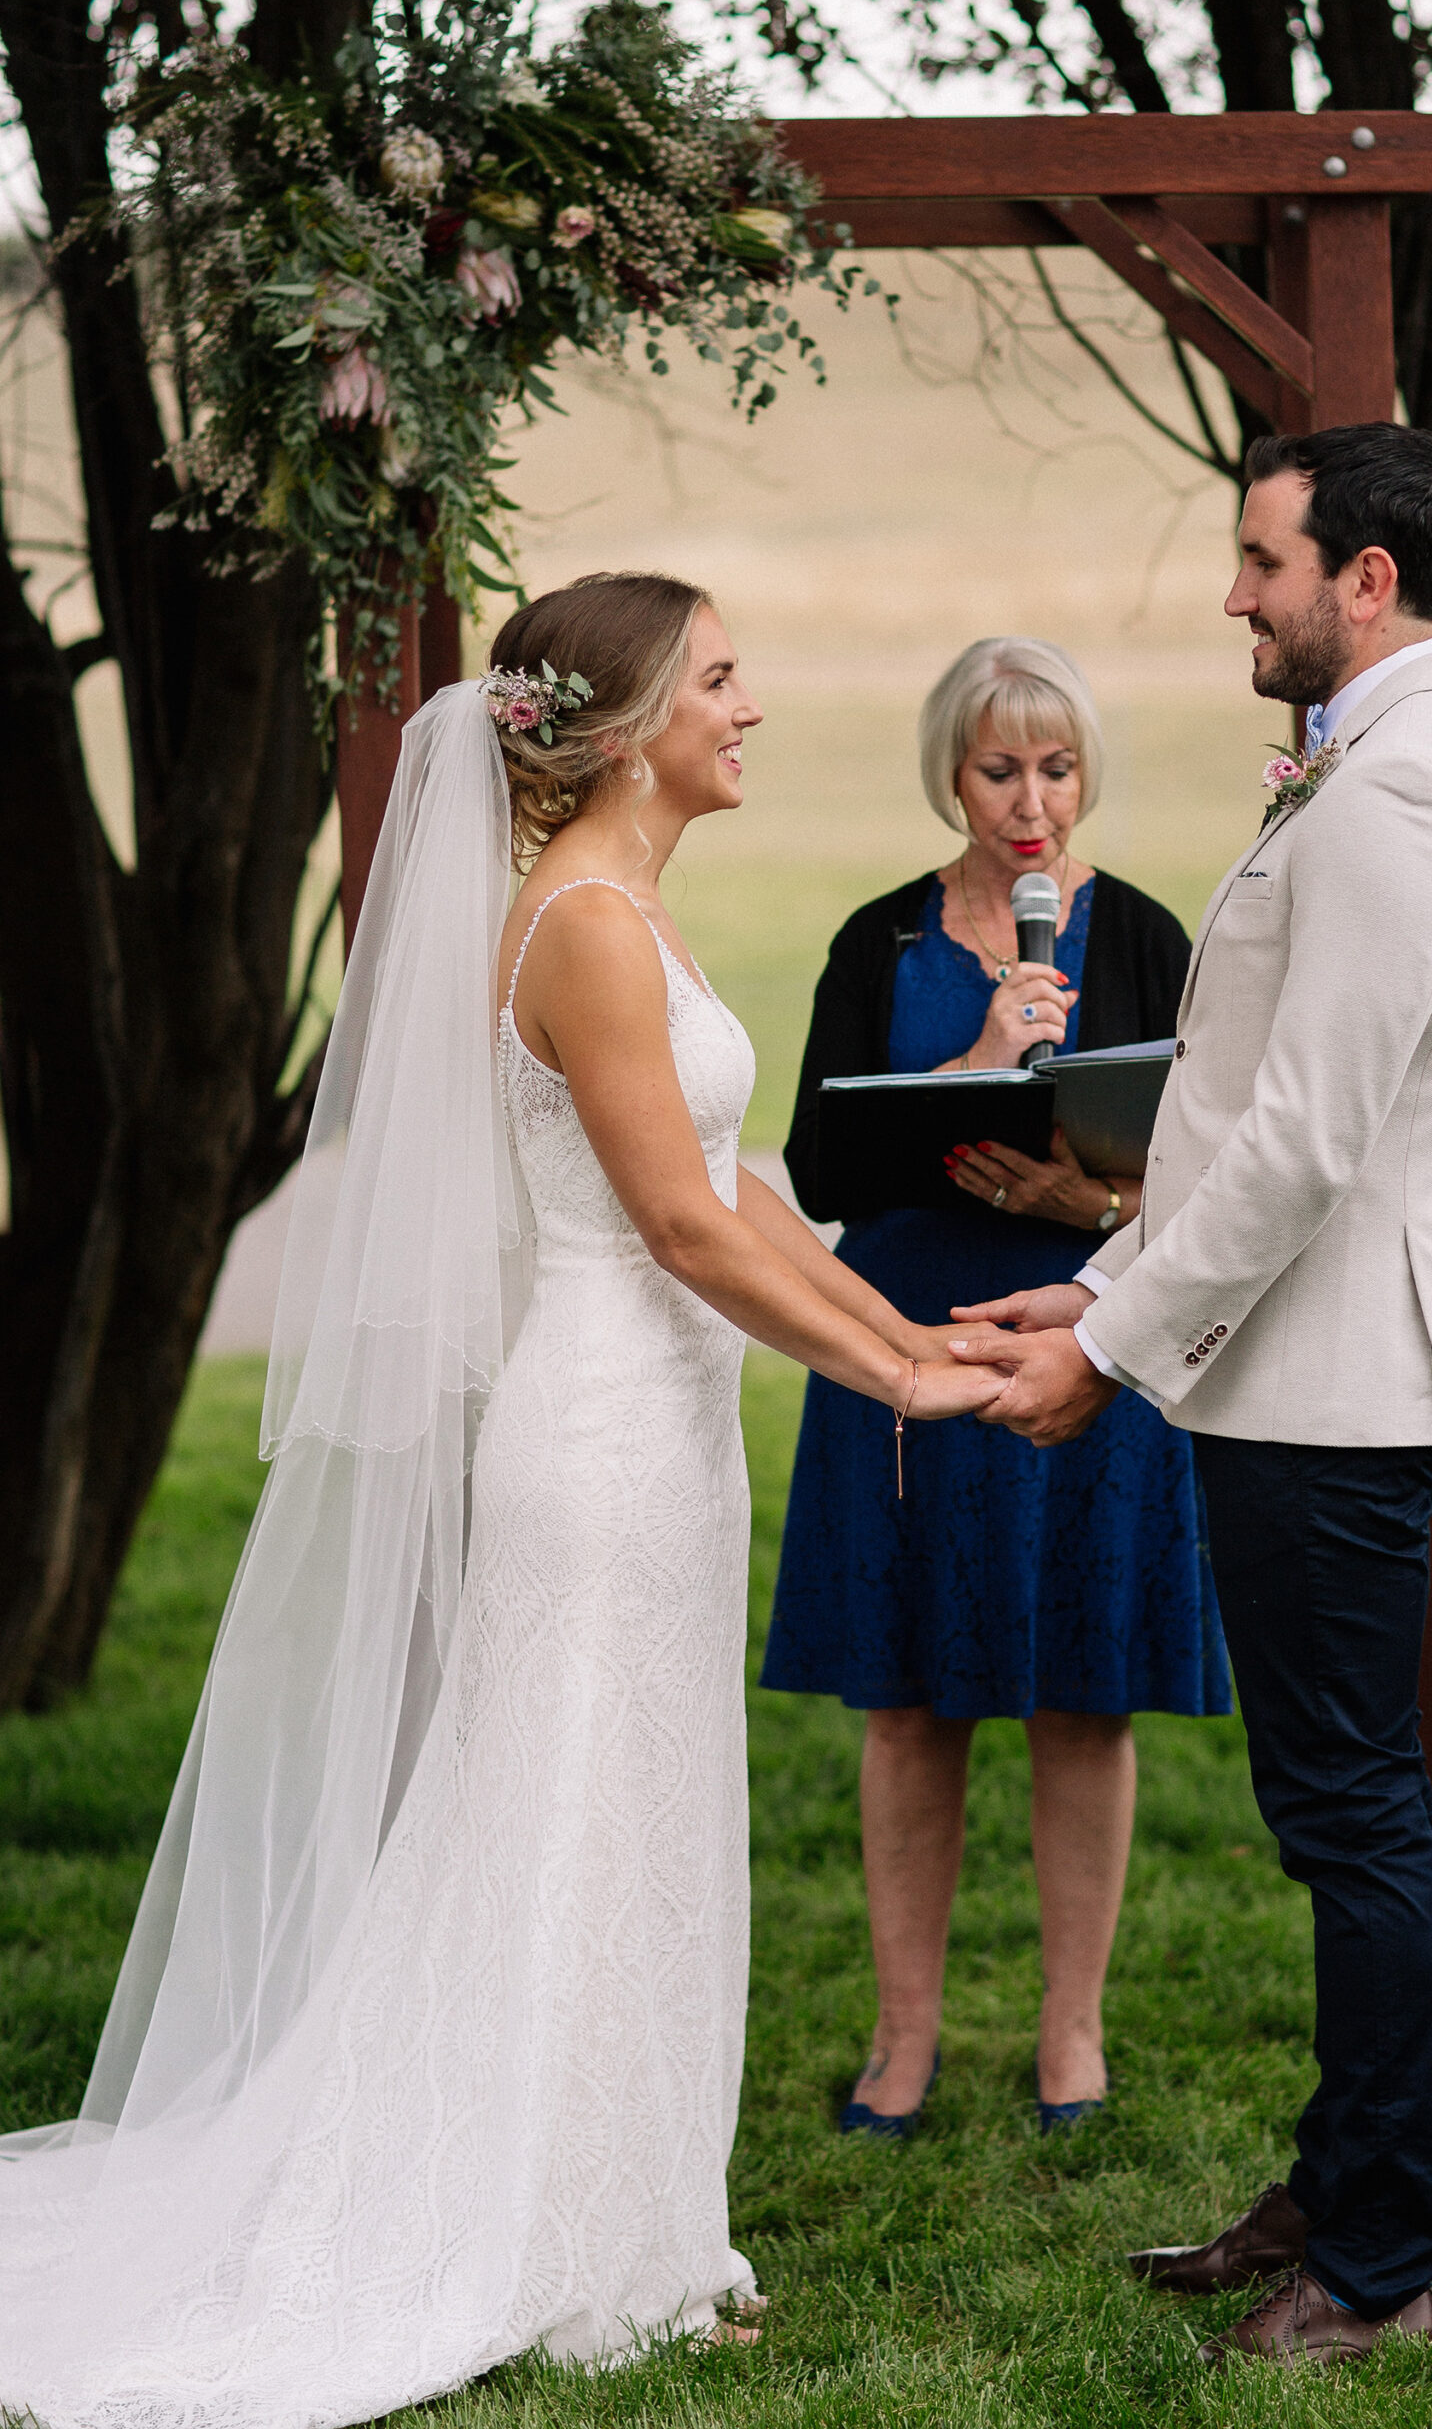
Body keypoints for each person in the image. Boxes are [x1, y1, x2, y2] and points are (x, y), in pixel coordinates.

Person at [0, 573, 1006, 2426]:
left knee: (632, 1826)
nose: (749, 707)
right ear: (622, 726)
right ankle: (548, 2236)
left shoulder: (636, 915)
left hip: (669, 1432)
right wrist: (902, 1387)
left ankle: (634, 2223)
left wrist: (923, 1345)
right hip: (599, 1442)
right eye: (719, 678)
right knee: (567, 1837)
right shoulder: (592, 933)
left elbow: (746, 1187)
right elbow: (684, 1230)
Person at [950, 427, 1432, 2365]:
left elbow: (1299, 1144)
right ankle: (1337, 2177)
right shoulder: (1379, 763)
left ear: (1362, 577)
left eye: (1258, 557)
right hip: (1305, 1362)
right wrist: (1105, 1270)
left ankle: (1374, 2266)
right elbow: (1245, 1111)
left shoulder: (1396, 801)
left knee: (1355, 1826)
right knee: (1333, 1818)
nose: (1232, 591)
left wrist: (1101, 1357)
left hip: (1332, 1385)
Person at [765, 637, 1229, 2139]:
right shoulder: (878, 940)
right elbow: (823, 1168)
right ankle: (903, 2043)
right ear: (949, 776)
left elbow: (1214, 1165)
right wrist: (978, 1053)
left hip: (1086, 1341)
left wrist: (1079, 1204)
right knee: (906, 1707)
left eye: (1059, 766)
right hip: (905, 1347)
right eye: (999, 767)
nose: (1033, 801)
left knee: (1085, 1700)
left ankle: (1071, 2036)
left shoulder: (1151, 936)